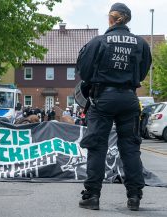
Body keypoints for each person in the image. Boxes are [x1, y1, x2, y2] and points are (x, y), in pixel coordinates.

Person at [76, 3, 151, 211]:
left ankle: (92, 196)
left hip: (103, 99)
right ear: (127, 20)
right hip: (129, 98)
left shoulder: (99, 42)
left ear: (111, 18)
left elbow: (84, 71)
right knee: (130, 147)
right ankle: (134, 196)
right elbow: (143, 71)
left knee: (97, 146)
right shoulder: (141, 43)